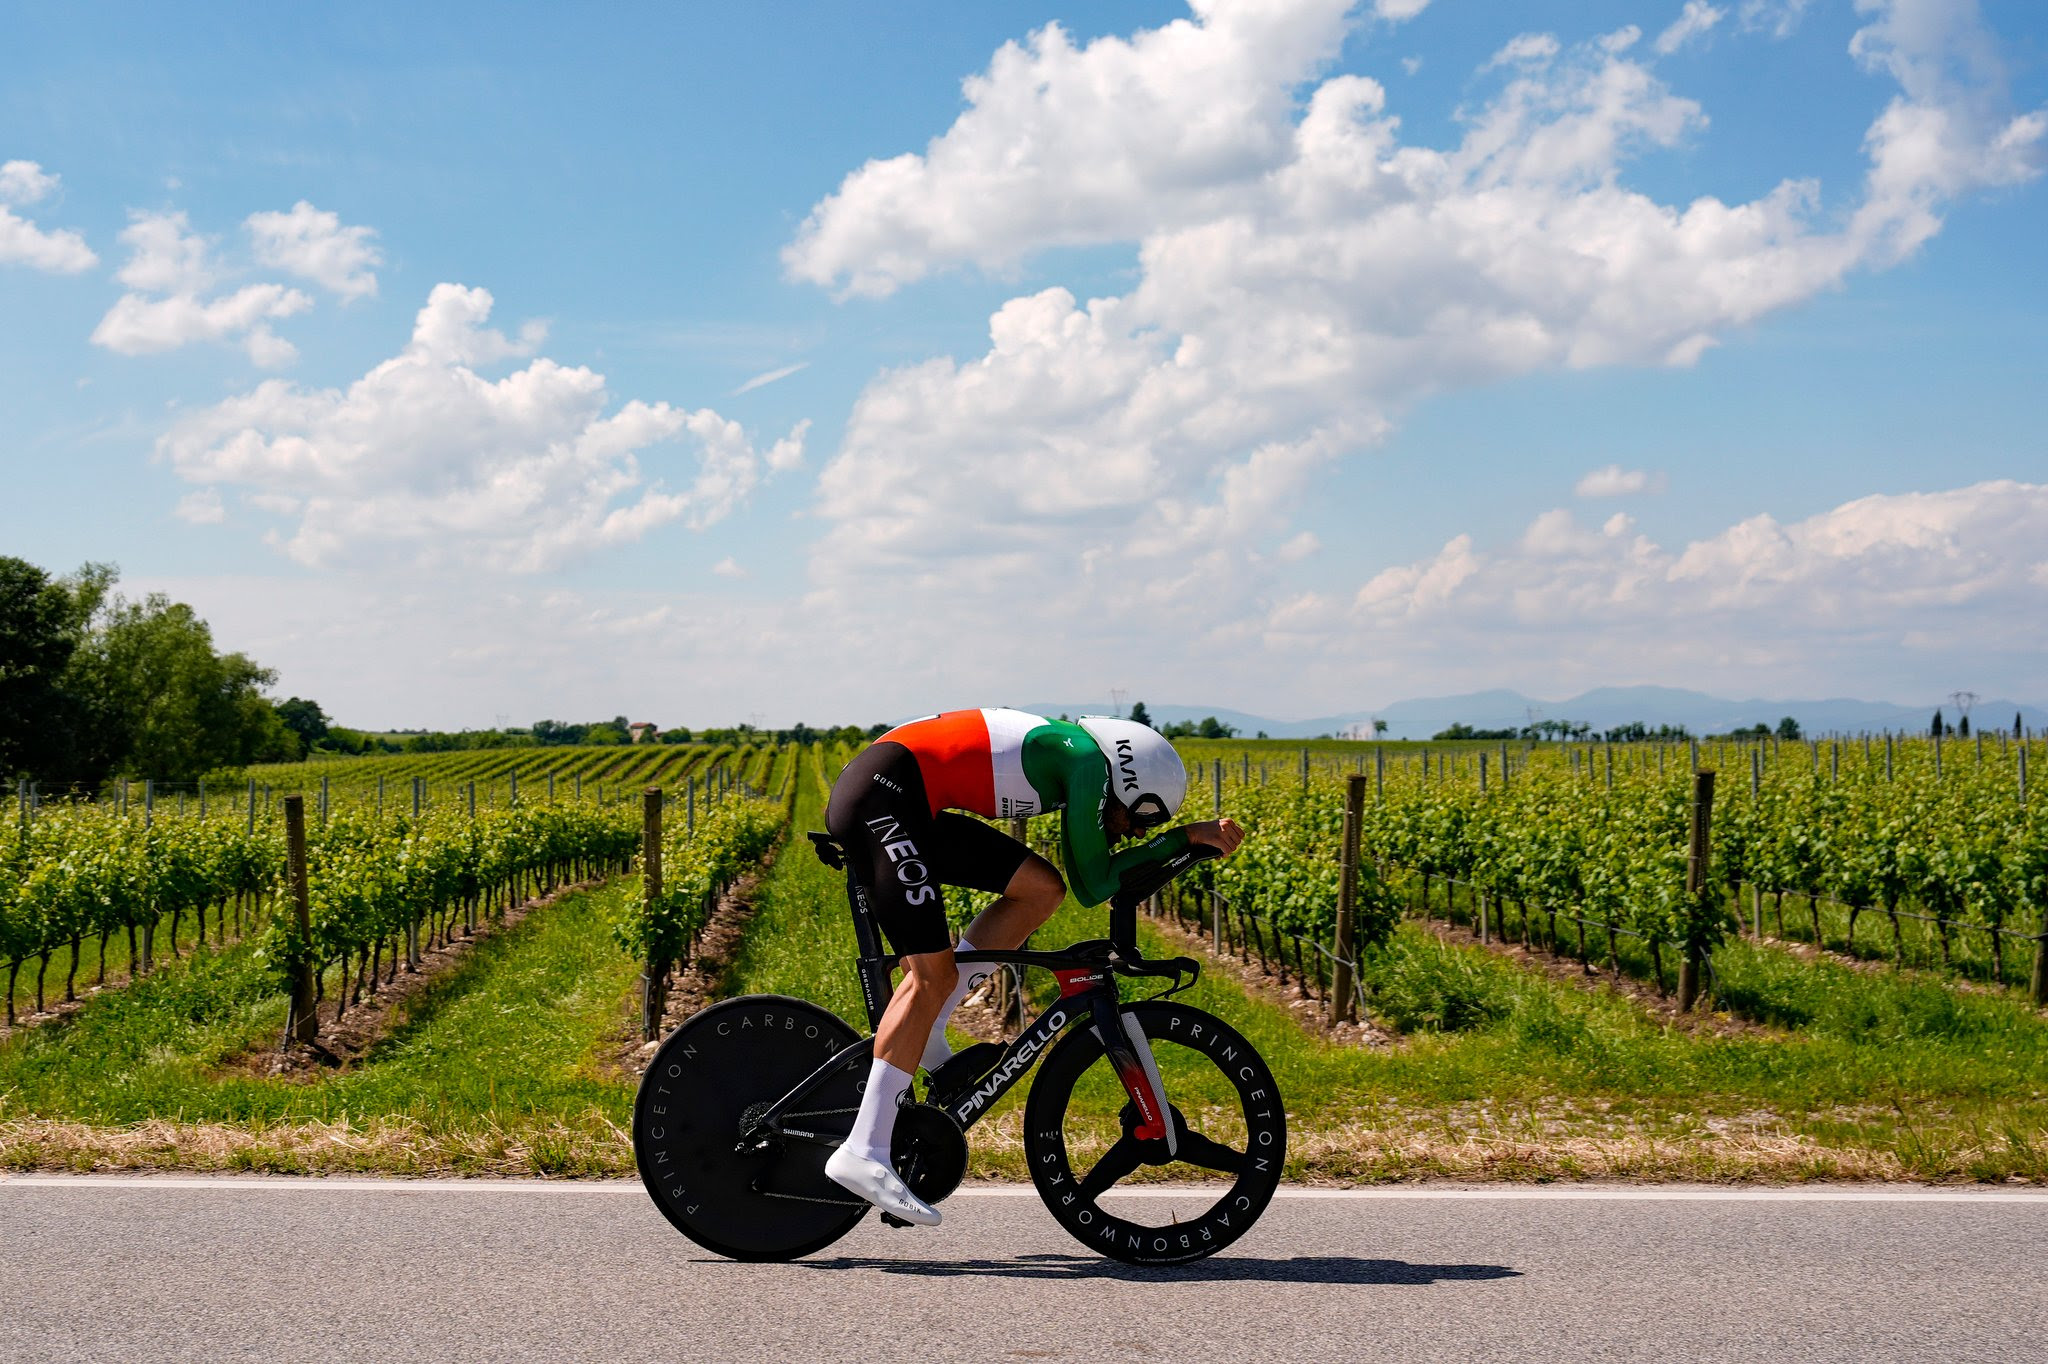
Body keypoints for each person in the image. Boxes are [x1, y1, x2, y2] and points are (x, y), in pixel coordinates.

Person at [820, 708, 1245, 1225]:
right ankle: (863, 1150)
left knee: (1040, 890)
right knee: (933, 975)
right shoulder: (1087, 763)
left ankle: (928, 1025)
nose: (1134, 832)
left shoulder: (1080, 760)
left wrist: (1177, 844)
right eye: (1139, 818)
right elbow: (1095, 883)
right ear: (1126, 782)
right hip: (883, 797)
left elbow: (1080, 883)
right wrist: (1182, 839)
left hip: (902, 796)